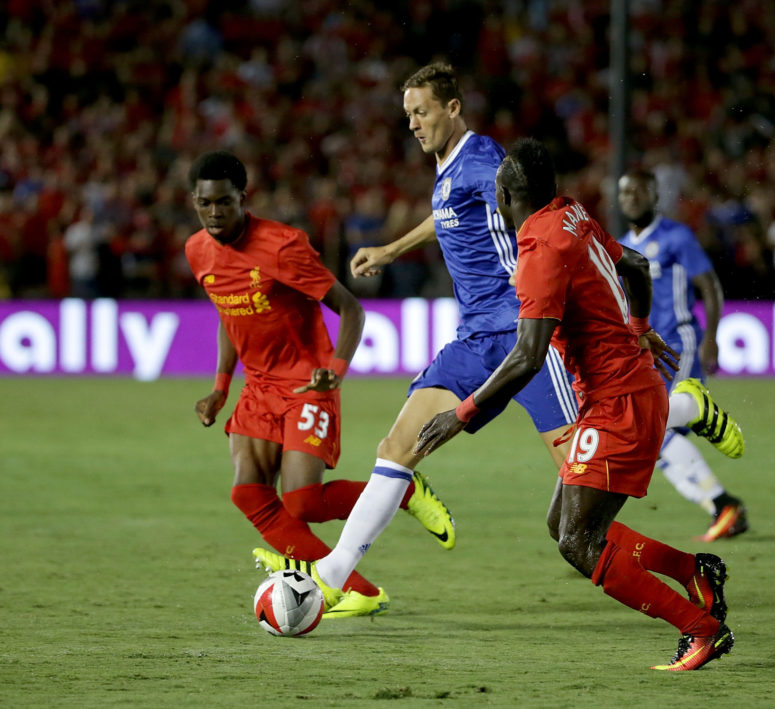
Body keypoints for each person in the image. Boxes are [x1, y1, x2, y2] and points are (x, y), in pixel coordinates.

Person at [417, 138, 734, 671]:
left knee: (578, 543)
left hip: (619, 403)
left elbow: (527, 356)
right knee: (562, 524)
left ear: (503, 197)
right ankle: (693, 571)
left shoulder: (541, 251)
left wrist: (462, 413)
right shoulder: (571, 213)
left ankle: (701, 629)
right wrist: (638, 327)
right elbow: (636, 264)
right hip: (618, 393)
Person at [253, 63, 578, 577]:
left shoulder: (483, 161)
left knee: (583, 481)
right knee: (398, 447)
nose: (412, 124)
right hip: (475, 341)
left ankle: (675, 413)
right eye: (408, 114)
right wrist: (391, 249)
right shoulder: (449, 166)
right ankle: (333, 576)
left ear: (453, 108)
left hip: (526, 336)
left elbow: (536, 218)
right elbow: (449, 215)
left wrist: (550, 275)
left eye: (421, 112)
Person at [184, 150, 452, 619]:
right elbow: (228, 312)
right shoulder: (197, 250)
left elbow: (351, 308)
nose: (214, 213)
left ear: (242, 198)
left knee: (303, 502)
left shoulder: (281, 246)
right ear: (195, 202)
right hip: (258, 387)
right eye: (205, 203)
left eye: (224, 202)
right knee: (248, 493)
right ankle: (358, 589)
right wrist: (221, 388)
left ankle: (405, 492)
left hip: (307, 381)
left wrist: (336, 369)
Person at [617, 170, 749, 542]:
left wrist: (712, 338)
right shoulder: (621, 245)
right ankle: (722, 506)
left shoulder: (676, 237)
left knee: (650, 427)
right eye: (625, 192)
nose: (632, 197)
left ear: (654, 195)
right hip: (645, 353)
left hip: (678, 343)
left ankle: (721, 503)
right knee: (649, 438)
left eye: (640, 190)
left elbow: (710, 285)